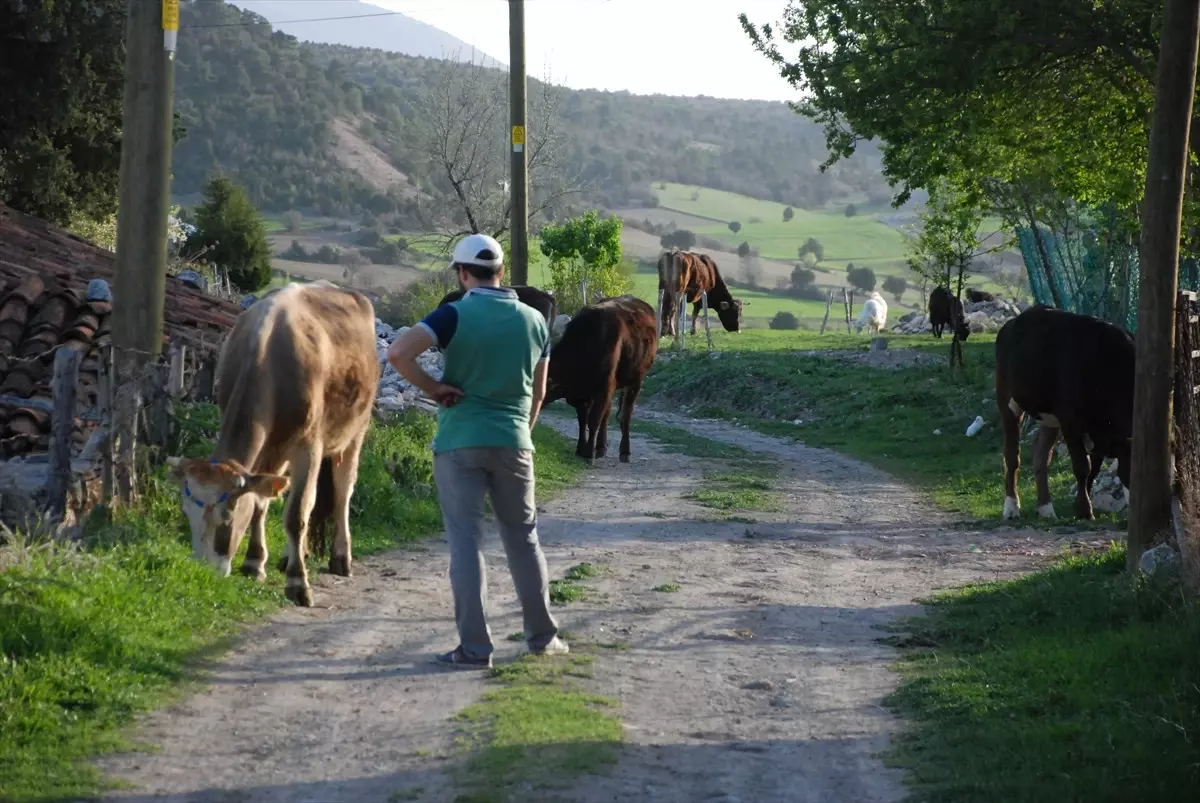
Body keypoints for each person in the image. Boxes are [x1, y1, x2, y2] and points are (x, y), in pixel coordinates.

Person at [387, 233, 567, 669]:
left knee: (466, 543)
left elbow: (397, 354)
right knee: (524, 539)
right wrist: (520, 430)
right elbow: (539, 392)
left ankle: (474, 649)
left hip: (459, 442)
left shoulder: (452, 314)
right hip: (514, 442)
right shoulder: (535, 320)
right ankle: (543, 638)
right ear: (502, 272)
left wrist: (435, 390)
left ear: (462, 273)